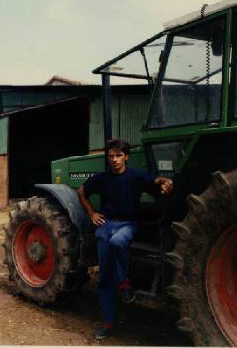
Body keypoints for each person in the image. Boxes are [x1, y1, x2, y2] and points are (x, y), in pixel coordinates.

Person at [76, 139, 173, 341]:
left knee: (117, 242)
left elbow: (156, 181)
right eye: (110, 156)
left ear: (126, 157)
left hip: (128, 224)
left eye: (118, 156)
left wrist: (165, 181)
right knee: (104, 277)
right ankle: (108, 322)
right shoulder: (102, 178)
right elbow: (81, 192)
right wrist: (92, 213)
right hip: (105, 225)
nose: (114, 160)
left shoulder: (135, 176)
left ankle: (124, 283)